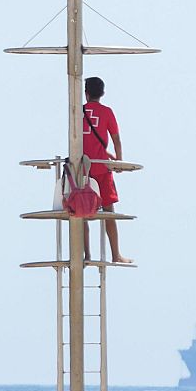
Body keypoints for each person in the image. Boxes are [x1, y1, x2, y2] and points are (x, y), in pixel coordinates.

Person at [81, 76, 131, 264]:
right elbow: (116, 139)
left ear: (86, 93)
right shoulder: (107, 112)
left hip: (81, 168)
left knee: (81, 209)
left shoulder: (78, 111)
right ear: (102, 93)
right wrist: (118, 160)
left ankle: (86, 254)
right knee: (109, 212)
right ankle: (116, 254)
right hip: (102, 168)